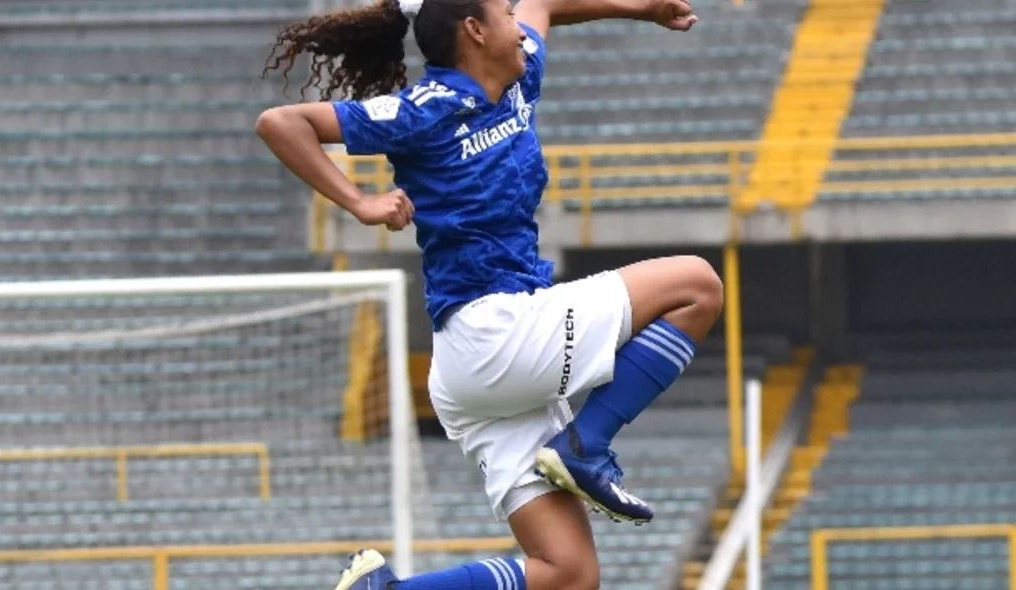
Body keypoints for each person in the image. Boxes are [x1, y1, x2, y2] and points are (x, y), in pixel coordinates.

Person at [255, 0, 723, 587]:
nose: (519, 27)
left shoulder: (520, 79)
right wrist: (361, 202)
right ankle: (587, 443)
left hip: (481, 367)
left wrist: (641, 9)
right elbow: (281, 122)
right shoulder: (421, 109)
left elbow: (546, 4)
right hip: (494, 333)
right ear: (475, 32)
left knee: (570, 574)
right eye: (504, 13)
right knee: (696, 287)